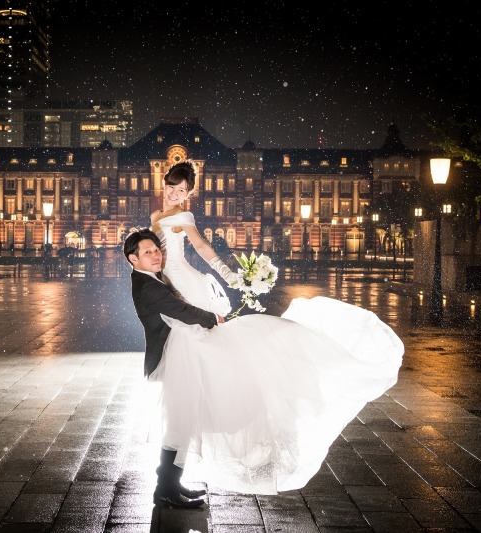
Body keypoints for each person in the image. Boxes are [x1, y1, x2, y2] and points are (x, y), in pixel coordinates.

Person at [147, 160, 404, 495]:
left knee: (193, 363)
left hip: (188, 289)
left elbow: (203, 249)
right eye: (172, 187)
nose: (175, 194)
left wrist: (232, 276)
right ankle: (170, 478)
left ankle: (171, 478)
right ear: (163, 183)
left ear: (189, 195)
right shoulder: (155, 218)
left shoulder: (183, 218)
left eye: (182, 190)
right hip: (172, 287)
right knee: (191, 366)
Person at [123, 229, 223, 509]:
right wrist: (213, 318)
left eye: (156, 250)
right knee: (180, 422)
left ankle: (169, 484)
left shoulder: (150, 279)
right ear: (133, 259)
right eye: (147, 252)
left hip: (176, 354)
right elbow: (180, 310)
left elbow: (178, 306)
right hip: (172, 358)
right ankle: (166, 488)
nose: (155, 255)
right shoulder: (148, 286)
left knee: (182, 421)